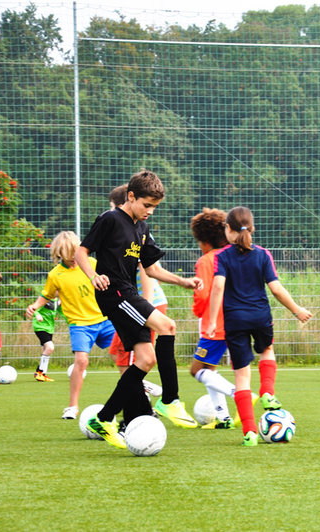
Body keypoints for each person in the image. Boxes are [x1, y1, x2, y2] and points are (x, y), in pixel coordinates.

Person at [75, 170, 202, 449]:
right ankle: (170, 400)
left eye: (154, 207)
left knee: (145, 360)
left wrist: (183, 281)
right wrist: (93, 276)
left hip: (127, 292)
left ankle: (104, 418)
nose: (150, 212)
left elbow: (152, 268)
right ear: (130, 197)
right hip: (114, 294)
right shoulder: (110, 219)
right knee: (168, 326)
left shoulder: (142, 229)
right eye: (147, 205)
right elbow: (81, 252)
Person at [205, 206, 313, 447]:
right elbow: (276, 289)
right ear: (251, 229)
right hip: (260, 317)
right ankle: (268, 393)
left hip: (235, 321)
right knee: (267, 350)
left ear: (229, 230)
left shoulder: (222, 257)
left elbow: (218, 288)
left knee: (242, 377)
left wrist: (212, 321)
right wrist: (297, 310)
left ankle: (250, 432)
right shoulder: (263, 254)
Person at [26, 231, 118, 419]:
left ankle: (139, 388)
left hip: (104, 319)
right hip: (80, 325)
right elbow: (47, 295)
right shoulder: (55, 275)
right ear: (59, 254)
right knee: (81, 361)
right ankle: (72, 406)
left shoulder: (92, 265)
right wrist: (35, 306)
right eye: (68, 254)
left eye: (76, 252)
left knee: (125, 353)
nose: (73, 258)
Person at [105, 184, 165, 399]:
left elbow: (147, 272)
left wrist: (144, 309)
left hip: (143, 303)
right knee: (117, 353)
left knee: (126, 358)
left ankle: (141, 400)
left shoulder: (135, 231)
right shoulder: (123, 229)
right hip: (137, 302)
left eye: (113, 207)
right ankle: (142, 392)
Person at [189, 207, 238, 429]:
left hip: (215, 325)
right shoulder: (234, 254)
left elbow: (202, 293)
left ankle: (238, 393)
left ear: (205, 240)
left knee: (196, 369)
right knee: (210, 369)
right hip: (238, 322)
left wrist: (198, 311)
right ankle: (224, 418)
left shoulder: (206, 260)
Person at [31, 297, 63, 382]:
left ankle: (42, 373)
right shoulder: (45, 298)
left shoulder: (58, 301)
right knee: (50, 347)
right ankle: (40, 373)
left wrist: (71, 321)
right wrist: (37, 314)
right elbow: (34, 308)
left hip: (49, 328)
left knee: (45, 349)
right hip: (40, 326)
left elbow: (62, 312)